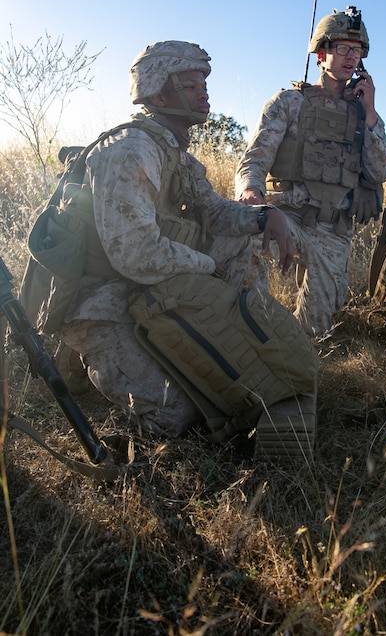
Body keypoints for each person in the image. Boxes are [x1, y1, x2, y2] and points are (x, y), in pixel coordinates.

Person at [54, 40, 310, 439]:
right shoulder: (131, 150)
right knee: (177, 416)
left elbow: (215, 212)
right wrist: (207, 269)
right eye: (191, 86)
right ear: (159, 92)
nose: (204, 92)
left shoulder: (177, 153)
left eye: (203, 84)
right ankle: (79, 349)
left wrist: (265, 216)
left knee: (240, 237)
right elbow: (135, 254)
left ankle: (236, 335)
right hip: (105, 297)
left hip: (149, 288)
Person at [235, 6, 386, 337]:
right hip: (288, 215)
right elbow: (255, 158)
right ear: (322, 53)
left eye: (357, 50)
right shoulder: (289, 102)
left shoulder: (364, 112)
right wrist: (251, 191)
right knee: (239, 235)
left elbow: (380, 172)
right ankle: (252, 326)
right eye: (342, 48)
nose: (351, 57)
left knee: (317, 331)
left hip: (334, 232)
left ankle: (295, 353)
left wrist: (370, 114)